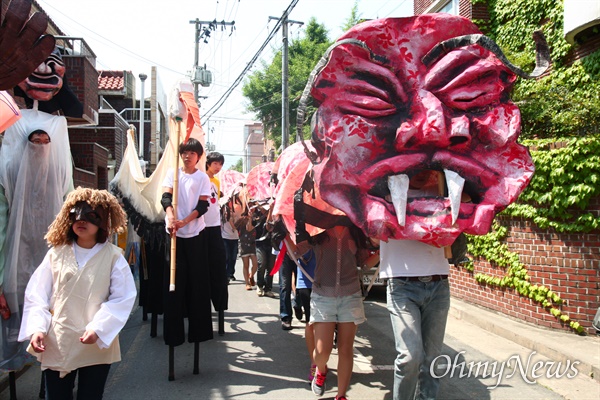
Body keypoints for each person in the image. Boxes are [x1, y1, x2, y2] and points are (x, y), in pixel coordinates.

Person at [18, 187, 136, 399]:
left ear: (102, 221)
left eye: (91, 216)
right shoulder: (56, 253)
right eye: (75, 214)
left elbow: (123, 298)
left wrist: (99, 328)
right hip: (59, 339)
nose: (81, 221)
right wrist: (37, 328)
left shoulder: (113, 258)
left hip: (95, 342)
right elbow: (37, 295)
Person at [379, 170, 451, 400]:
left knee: (433, 360)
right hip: (401, 285)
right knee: (409, 357)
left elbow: (477, 197)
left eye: (426, 164)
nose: (420, 169)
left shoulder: (444, 189)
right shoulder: (385, 194)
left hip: (439, 283)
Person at [295, 225, 373, 400]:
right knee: (322, 351)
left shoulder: (356, 230)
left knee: (346, 348)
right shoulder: (318, 230)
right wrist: (281, 232)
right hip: (323, 296)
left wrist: (385, 249)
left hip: (351, 296)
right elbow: (296, 251)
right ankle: (320, 370)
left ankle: (341, 395)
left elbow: (364, 263)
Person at [161, 138, 213, 347]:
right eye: (185, 152)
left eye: (192, 153)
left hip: (195, 233)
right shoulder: (173, 173)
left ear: (198, 157)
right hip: (174, 235)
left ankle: (198, 333)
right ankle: (173, 336)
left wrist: (185, 221)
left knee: (198, 285)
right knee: (173, 285)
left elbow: (203, 206)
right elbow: (166, 197)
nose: (187, 156)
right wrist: (171, 216)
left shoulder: (202, 178)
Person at [204, 152, 228, 312]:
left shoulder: (216, 182)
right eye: (215, 164)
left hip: (215, 226)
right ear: (208, 163)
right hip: (201, 226)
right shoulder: (201, 178)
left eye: (220, 164)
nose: (218, 167)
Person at [235, 207, 258, 291]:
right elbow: (234, 227)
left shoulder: (256, 218)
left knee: (256, 264)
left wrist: (251, 218)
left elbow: (250, 228)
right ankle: (247, 283)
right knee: (246, 265)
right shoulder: (242, 220)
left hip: (252, 244)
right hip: (244, 244)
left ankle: (251, 275)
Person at [221, 200, 239, 282]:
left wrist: (232, 219)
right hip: (225, 237)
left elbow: (236, 227)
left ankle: (231, 273)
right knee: (227, 256)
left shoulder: (236, 212)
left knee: (233, 257)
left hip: (235, 238)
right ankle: (226, 274)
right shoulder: (222, 214)